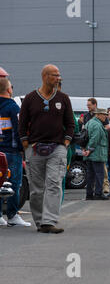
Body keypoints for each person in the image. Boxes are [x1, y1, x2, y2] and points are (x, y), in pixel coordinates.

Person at [19, 64, 75, 233]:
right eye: (54, 75)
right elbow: (21, 124)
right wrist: (25, 144)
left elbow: (70, 124)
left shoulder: (63, 98)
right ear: (44, 76)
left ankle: (49, 221)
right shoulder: (30, 98)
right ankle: (40, 222)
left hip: (57, 148)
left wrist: (65, 143)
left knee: (54, 184)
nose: (58, 78)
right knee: (36, 190)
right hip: (34, 148)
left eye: (59, 75)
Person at [0, 78, 30, 227]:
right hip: (11, 152)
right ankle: (12, 216)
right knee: (14, 184)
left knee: (0, 183)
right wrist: (22, 148)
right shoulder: (13, 107)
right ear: (9, 89)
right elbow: (20, 130)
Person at [83, 108, 109, 200]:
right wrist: (90, 150)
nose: (106, 116)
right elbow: (95, 139)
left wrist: (85, 150)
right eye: (104, 114)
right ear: (97, 115)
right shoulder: (97, 125)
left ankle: (89, 194)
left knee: (90, 175)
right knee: (99, 174)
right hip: (97, 153)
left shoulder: (88, 123)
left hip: (89, 154)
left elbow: (83, 137)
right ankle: (98, 193)